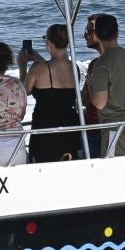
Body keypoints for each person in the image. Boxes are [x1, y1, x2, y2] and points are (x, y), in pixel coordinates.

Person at [83, 13, 125, 156]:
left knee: (117, 174)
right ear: (117, 33)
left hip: (116, 129)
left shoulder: (102, 64)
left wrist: (91, 85)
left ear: (97, 34)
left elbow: (99, 103)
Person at [23, 24, 82, 162]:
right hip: (69, 126)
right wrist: (38, 58)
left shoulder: (38, 68)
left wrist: (22, 66)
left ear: (49, 42)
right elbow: (56, 71)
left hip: (45, 127)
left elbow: (24, 91)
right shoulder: (75, 68)